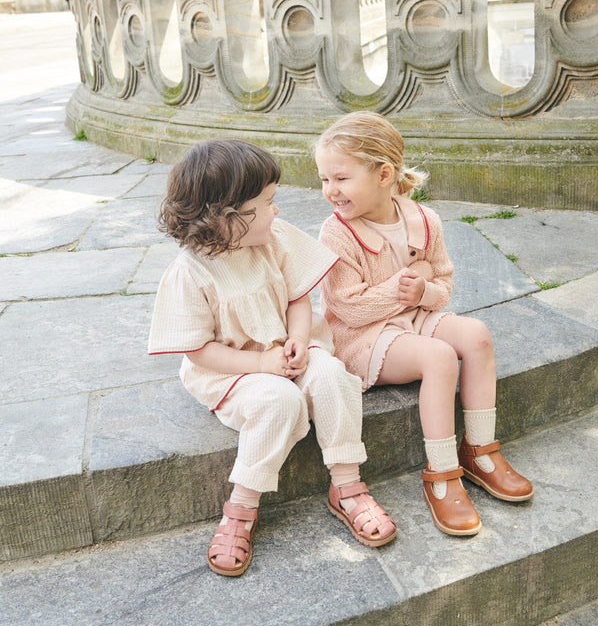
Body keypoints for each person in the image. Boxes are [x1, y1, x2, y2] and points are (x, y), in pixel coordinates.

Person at [148, 139, 396, 577]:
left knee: (332, 376)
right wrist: (262, 366)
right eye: (266, 203)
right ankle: (242, 506)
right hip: (232, 369)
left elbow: (298, 296)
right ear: (227, 217)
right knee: (278, 401)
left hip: (286, 349)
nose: (276, 211)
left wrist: (299, 337)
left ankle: (347, 485)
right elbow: (198, 349)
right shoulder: (191, 271)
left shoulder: (273, 240)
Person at [315, 112, 533, 538]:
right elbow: (347, 308)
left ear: (383, 174)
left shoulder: (423, 220)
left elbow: (443, 282)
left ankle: (480, 451)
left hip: (415, 318)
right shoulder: (336, 233)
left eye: (340, 178)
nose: (330, 191)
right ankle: (443, 472)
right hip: (363, 339)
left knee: (476, 336)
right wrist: (402, 289)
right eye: (324, 179)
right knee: (439, 358)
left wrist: (423, 295)